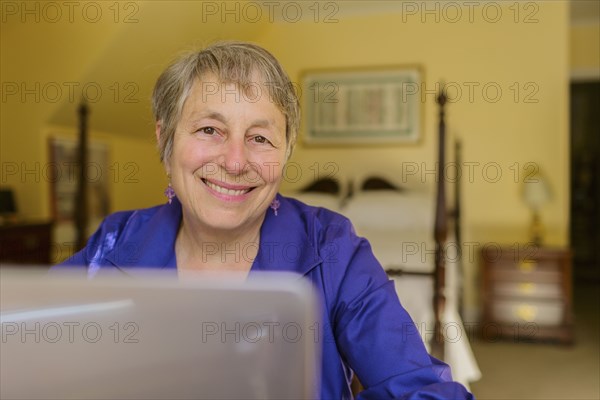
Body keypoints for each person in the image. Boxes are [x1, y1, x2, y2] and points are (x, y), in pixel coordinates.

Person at [58, 41, 474, 399]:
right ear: (164, 139)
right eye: (209, 130)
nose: (235, 162)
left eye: (259, 138)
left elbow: (418, 387)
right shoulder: (115, 244)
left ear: (285, 153)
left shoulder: (333, 249)